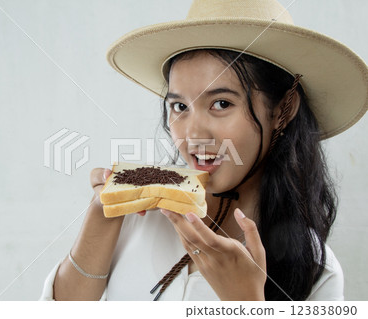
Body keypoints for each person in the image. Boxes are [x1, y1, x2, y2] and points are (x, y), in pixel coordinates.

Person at [40, 0, 367, 301]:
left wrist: (246, 301)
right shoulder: (139, 214)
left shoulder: (316, 272)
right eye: (180, 106)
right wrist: (101, 214)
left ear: (283, 109)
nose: (192, 133)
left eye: (221, 103)